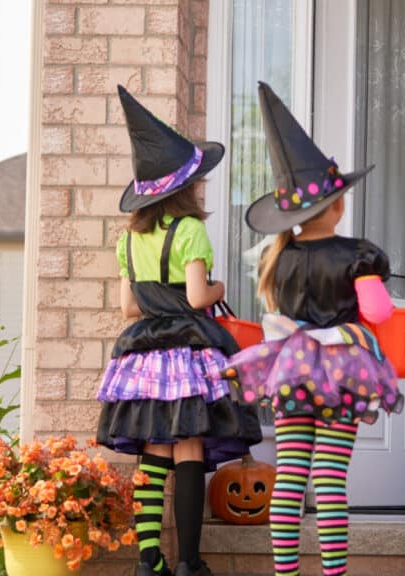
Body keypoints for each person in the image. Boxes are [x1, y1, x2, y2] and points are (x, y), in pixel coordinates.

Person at [220, 82, 404, 576]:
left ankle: (285, 573)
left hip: (291, 369)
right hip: (342, 371)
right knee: (328, 478)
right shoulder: (357, 254)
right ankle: (333, 574)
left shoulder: (274, 258)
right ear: (338, 205)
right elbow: (380, 313)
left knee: (289, 477)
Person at [95, 86, 263, 576]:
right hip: (187, 350)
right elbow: (195, 298)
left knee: (153, 451)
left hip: (143, 354)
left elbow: (128, 306)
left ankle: (149, 561)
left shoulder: (128, 239)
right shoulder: (189, 230)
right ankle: (189, 561)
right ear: (184, 187)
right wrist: (218, 288)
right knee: (189, 446)